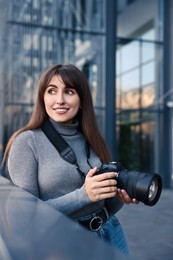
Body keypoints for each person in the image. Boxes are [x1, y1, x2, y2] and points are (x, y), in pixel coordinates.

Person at [3, 64, 138, 255]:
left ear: (81, 100)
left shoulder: (92, 138)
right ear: (43, 98)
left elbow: (103, 206)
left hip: (110, 234)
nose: (60, 100)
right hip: (63, 243)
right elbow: (22, 219)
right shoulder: (27, 142)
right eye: (51, 91)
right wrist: (84, 195)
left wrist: (119, 198)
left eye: (69, 91)